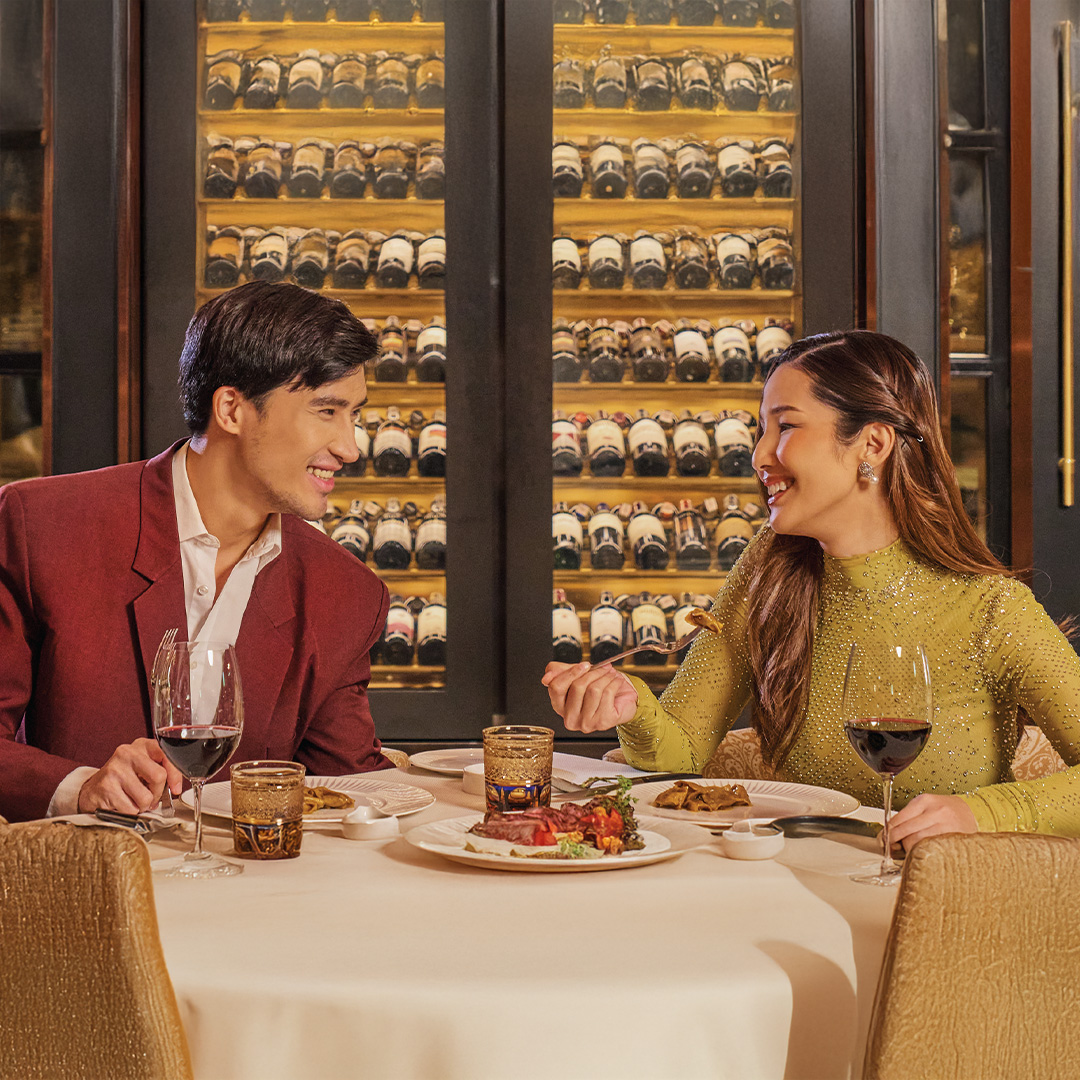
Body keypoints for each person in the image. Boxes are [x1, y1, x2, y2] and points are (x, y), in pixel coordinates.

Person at [544, 329, 1080, 847]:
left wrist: (980, 813)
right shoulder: (769, 569)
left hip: (932, 891)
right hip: (790, 880)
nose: (759, 455)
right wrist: (631, 708)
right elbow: (682, 750)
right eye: (761, 429)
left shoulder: (990, 609)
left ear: (872, 443)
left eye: (786, 427)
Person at [0, 281, 394, 823]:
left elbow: (350, 790)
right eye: (326, 411)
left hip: (247, 878)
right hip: (80, 870)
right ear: (231, 409)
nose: (350, 447)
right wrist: (80, 787)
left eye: (355, 416)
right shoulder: (42, 526)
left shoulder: (346, 593)